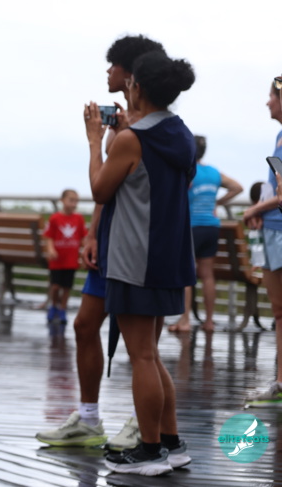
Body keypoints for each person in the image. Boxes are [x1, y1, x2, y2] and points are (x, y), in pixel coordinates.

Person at [36, 35, 165, 452]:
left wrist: (96, 140)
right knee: (84, 325)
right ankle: (89, 419)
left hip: (139, 246)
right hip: (109, 240)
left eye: (113, 66)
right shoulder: (124, 127)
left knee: (143, 345)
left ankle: (145, 426)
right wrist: (92, 233)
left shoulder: (150, 128)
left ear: (131, 75)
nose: (107, 72)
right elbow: (106, 191)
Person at [84, 50, 196, 475]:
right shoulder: (181, 133)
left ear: (137, 87)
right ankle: (171, 443)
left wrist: (95, 141)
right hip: (169, 255)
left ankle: (149, 452)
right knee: (150, 353)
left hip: (135, 256)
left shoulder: (133, 139)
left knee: (142, 357)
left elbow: (100, 189)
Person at [167, 136, 242, 332]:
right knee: (207, 275)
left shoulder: (187, 170)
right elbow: (237, 187)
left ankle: (185, 320)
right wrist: (217, 203)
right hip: (211, 227)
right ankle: (209, 322)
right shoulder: (213, 172)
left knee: (186, 272)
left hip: (191, 226)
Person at [243, 75, 282, 407]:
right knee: (279, 310)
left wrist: (254, 208)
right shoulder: (279, 136)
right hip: (271, 228)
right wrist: (261, 210)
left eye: (272, 96)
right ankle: (280, 382)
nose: (267, 102)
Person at [43, 189, 88, 326]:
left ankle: (62, 309)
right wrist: (51, 249)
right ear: (62, 200)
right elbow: (49, 237)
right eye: (71, 200)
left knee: (67, 287)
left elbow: (83, 237)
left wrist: (85, 252)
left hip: (71, 259)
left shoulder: (79, 218)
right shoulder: (55, 218)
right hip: (57, 260)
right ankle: (53, 305)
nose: (74, 204)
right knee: (55, 286)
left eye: (76, 201)